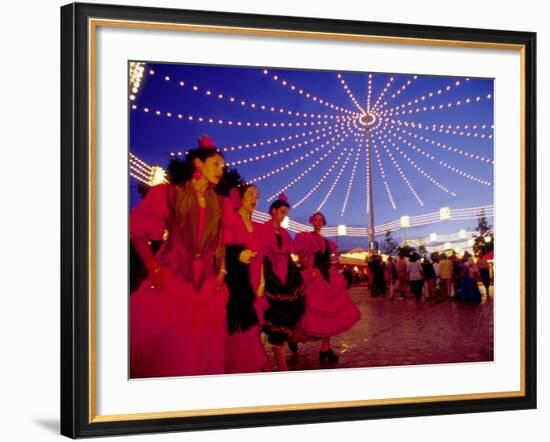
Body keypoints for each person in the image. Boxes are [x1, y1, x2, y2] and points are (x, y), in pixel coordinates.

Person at [129, 135, 228, 378]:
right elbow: (137, 229)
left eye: (223, 167)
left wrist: (222, 270)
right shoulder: (170, 193)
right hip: (173, 277)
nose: (220, 170)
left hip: (205, 284)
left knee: (200, 349)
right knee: (169, 351)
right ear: (198, 164)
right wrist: (153, 267)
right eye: (215, 164)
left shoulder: (219, 203)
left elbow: (218, 241)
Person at [291, 212, 361, 363]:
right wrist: (310, 270)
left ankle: (325, 348)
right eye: (316, 220)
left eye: (321, 220)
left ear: (323, 222)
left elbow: (327, 259)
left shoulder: (325, 241)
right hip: (315, 276)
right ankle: (294, 338)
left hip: (328, 276)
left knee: (330, 314)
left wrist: (334, 261)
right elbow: (301, 256)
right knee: (310, 315)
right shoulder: (306, 237)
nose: (318, 222)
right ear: (312, 222)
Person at [223, 184, 270, 374]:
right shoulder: (232, 220)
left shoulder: (257, 228)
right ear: (240, 198)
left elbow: (260, 258)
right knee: (240, 331)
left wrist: (262, 281)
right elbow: (222, 250)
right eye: (250, 194)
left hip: (254, 283)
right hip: (237, 283)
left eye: (257, 196)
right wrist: (237, 255)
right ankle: (239, 368)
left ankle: (250, 367)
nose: (254, 199)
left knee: (254, 328)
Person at [259, 194, 305, 371]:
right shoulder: (263, 229)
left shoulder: (285, 233)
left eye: (285, 213)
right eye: (282, 212)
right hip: (270, 277)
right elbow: (261, 253)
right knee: (270, 320)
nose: (283, 215)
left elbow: (290, 253)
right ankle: (270, 361)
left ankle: (280, 362)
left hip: (286, 277)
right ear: (273, 211)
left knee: (282, 320)